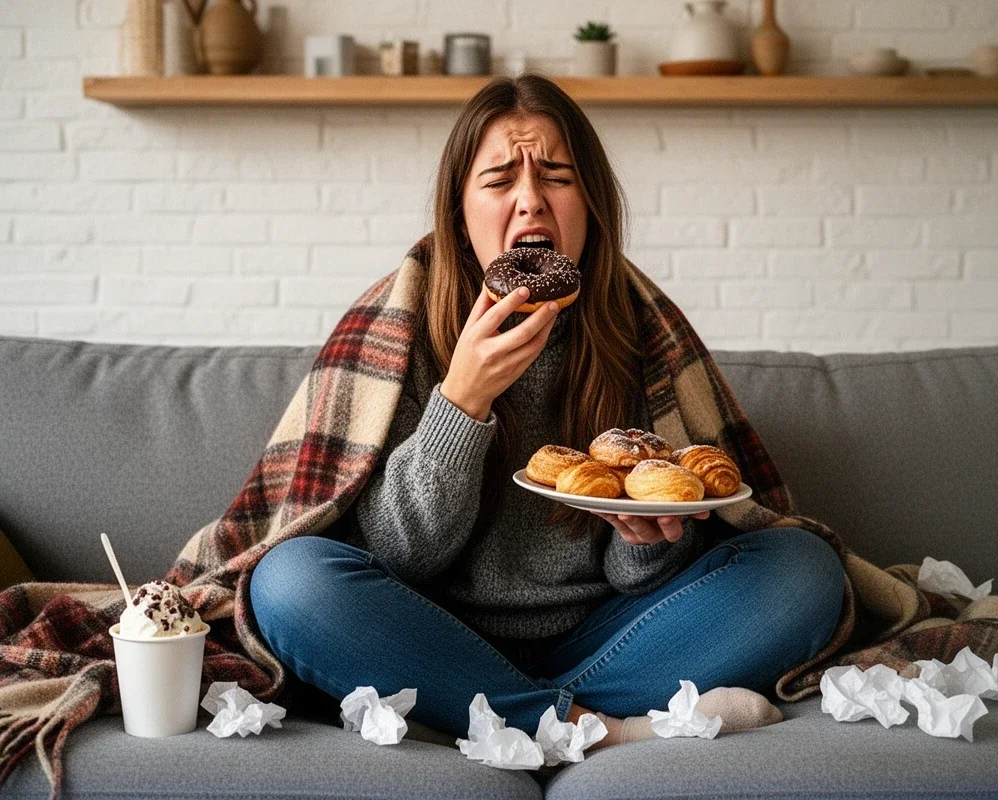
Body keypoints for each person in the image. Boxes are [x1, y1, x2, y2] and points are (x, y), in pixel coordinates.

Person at [247, 73, 845, 762]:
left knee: (803, 570)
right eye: (500, 180)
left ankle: (479, 713)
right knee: (290, 583)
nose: (530, 199)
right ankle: (603, 729)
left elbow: (651, 572)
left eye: (557, 176)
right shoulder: (399, 330)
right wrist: (461, 402)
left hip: (610, 636)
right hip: (427, 628)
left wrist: (649, 540)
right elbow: (397, 555)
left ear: (590, 203)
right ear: (460, 213)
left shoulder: (639, 331)